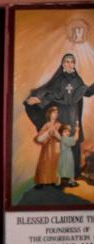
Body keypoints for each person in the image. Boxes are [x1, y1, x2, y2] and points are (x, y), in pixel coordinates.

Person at [25, 53, 94, 181]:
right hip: (61, 114)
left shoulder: (77, 80)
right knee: (60, 141)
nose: (69, 64)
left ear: (74, 64)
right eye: (67, 61)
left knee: (73, 140)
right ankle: (58, 174)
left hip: (73, 115)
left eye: (71, 61)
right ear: (62, 64)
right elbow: (49, 94)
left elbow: (87, 92)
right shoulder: (58, 80)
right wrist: (39, 100)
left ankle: (74, 173)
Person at [34, 106, 62, 188]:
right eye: (54, 112)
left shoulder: (59, 125)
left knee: (55, 163)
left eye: (57, 113)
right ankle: (42, 181)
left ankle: (53, 180)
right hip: (46, 148)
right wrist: (47, 133)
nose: (55, 114)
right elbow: (39, 138)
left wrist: (56, 133)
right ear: (50, 114)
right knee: (44, 163)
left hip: (56, 147)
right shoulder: (46, 125)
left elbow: (62, 138)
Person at [59, 123, 79, 187]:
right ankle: (71, 181)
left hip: (66, 155)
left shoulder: (65, 138)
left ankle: (69, 180)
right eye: (65, 131)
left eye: (68, 131)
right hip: (66, 156)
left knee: (66, 168)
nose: (67, 133)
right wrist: (77, 130)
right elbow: (75, 139)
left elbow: (74, 139)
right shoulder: (64, 139)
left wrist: (77, 130)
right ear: (61, 133)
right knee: (69, 168)